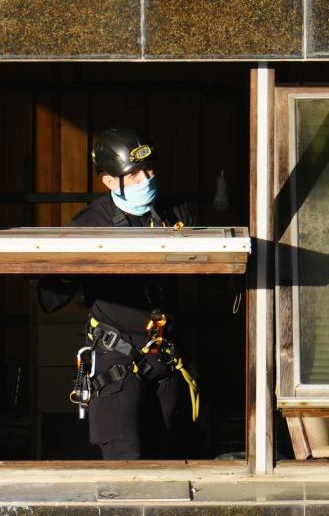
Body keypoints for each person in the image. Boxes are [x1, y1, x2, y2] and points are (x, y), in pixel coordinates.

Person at [37, 126, 197, 460]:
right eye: (134, 174)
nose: (146, 179)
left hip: (164, 355)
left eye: (149, 170)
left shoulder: (175, 214)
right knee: (127, 461)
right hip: (117, 358)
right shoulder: (87, 225)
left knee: (173, 457)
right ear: (109, 181)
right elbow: (49, 297)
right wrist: (69, 270)